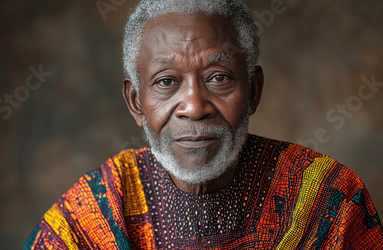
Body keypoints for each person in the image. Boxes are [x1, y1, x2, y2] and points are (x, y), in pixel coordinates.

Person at [24, 0, 383, 249]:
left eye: (218, 77)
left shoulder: (329, 204)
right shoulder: (94, 216)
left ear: (254, 90)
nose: (195, 107)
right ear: (136, 102)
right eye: (166, 82)